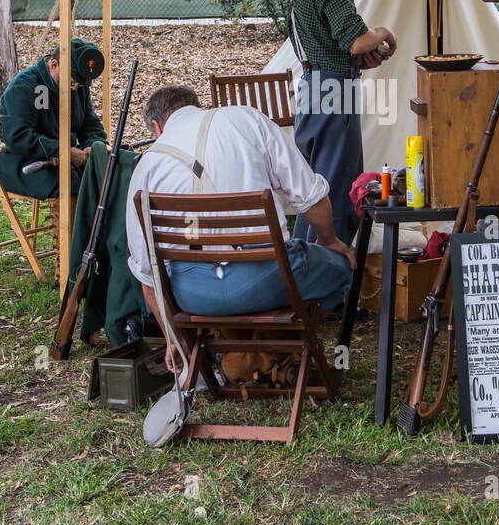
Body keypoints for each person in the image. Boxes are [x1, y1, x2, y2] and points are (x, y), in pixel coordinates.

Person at [125, 84, 355, 346]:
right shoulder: (245, 119)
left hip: (192, 296)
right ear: (197, 106)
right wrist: (328, 240)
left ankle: (241, 352)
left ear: (157, 127)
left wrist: (174, 343)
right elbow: (311, 196)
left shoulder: (146, 166)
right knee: (340, 267)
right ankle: (283, 345)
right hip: (267, 279)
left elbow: (146, 275)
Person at [287, 0, 397, 245]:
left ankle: (301, 266)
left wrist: (359, 60)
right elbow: (355, 41)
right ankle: (327, 280)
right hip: (335, 90)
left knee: (314, 185)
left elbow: (327, 43)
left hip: (311, 88)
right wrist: (384, 33)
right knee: (339, 188)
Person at [0, 38, 107, 199]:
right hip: (17, 161)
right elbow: (17, 136)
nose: (75, 88)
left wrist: (93, 147)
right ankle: (70, 225)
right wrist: (63, 151)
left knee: (106, 177)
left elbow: (90, 125)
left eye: (79, 85)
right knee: (71, 185)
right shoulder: (25, 86)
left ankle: (96, 225)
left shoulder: (77, 88)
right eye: (72, 82)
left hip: (59, 160)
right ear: (53, 65)